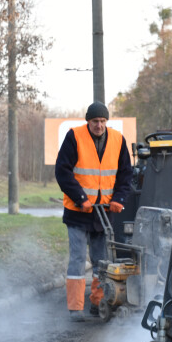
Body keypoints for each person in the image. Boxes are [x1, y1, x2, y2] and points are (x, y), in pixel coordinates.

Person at [55, 101, 133, 321]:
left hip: (103, 212)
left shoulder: (118, 140)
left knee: (101, 260)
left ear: (106, 121)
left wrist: (119, 198)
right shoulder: (74, 137)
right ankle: (75, 307)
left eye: (102, 121)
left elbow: (126, 174)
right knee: (79, 258)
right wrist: (81, 198)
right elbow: (63, 172)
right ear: (87, 121)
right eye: (94, 121)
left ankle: (98, 302)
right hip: (78, 211)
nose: (99, 125)